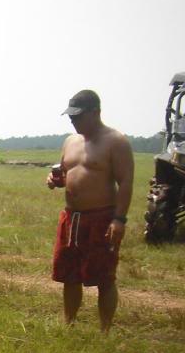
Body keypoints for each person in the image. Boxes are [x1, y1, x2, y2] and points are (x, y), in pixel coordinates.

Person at [47, 89, 134, 332]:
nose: (73, 121)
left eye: (78, 116)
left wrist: (119, 220)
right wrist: (55, 180)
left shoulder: (115, 142)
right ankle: (69, 323)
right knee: (69, 274)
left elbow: (125, 182)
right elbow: (65, 174)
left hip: (101, 218)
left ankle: (105, 329)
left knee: (104, 276)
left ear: (95, 112)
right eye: (71, 117)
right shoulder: (70, 141)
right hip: (71, 219)